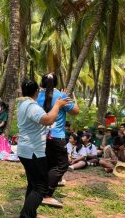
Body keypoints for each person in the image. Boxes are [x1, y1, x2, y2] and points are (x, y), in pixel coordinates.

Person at [17, 79, 70, 217]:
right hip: (33, 151)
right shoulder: (31, 106)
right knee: (41, 188)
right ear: (36, 91)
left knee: (33, 184)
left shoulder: (23, 104)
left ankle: (30, 214)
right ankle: (26, 215)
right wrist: (58, 104)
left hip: (25, 150)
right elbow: (48, 120)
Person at [36, 73, 79, 208]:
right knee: (61, 165)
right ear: (56, 83)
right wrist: (71, 100)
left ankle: (41, 190)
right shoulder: (60, 97)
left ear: (41, 83)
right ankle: (47, 195)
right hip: (56, 136)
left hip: (41, 136)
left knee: (48, 164)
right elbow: (75, 111)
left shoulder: (36, 96)